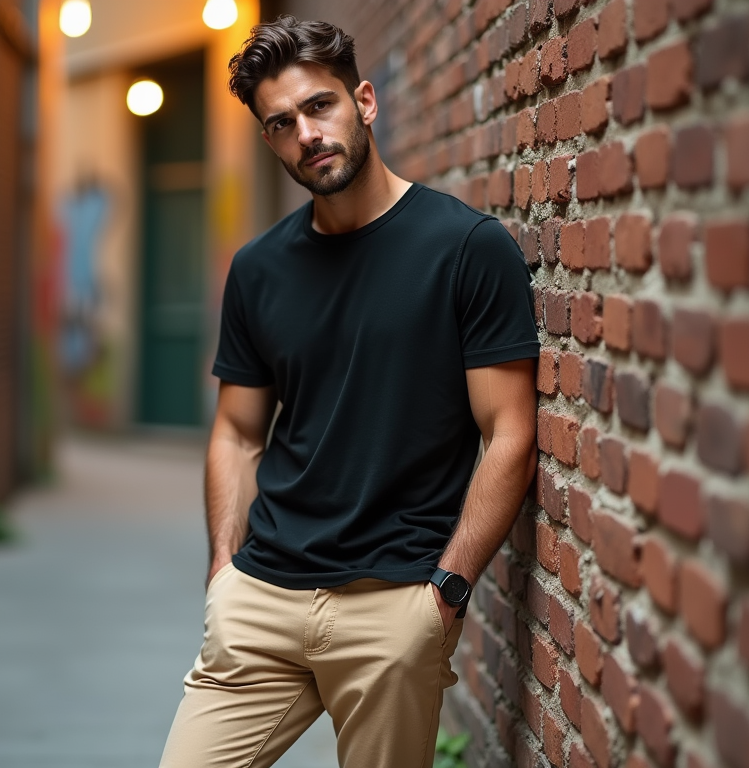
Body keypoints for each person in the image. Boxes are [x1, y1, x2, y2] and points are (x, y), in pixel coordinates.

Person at [159, 15, 539, 768]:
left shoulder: (466, 249)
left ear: (363, 101)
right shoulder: (259, 268)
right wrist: (222, 572)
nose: (306, 132)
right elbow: (237, 432)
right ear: (268, 141)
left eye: (319, 106)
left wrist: (444, 596)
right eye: (282, 122)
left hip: (393, 605)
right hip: (261, 600)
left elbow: (510, 434)